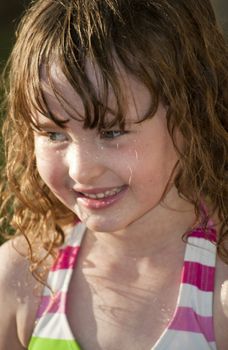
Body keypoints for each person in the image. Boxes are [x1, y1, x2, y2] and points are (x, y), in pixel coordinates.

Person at [0, 0, 227, 349]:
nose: (81, 170)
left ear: (190, 114)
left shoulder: (219, 293)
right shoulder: (24, 277)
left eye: (112, 132)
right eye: (53, 134)